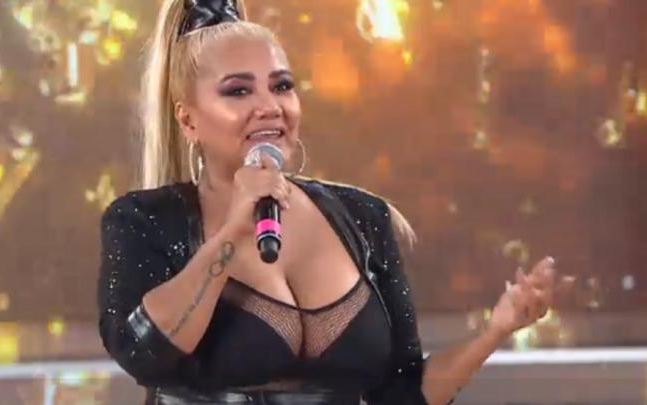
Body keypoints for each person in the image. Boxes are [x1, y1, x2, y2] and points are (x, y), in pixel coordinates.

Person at [97, 1, 567, 403]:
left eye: (282, 86)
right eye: (239, 90)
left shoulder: (362, 218)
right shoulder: (144, 220)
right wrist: (232, 233)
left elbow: (400, 394)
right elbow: (141, 352)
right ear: (188, 121)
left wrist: (496, 331)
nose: (270, 106)